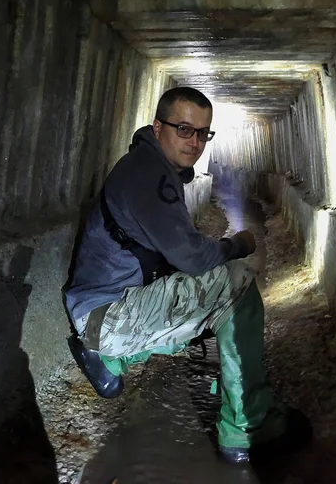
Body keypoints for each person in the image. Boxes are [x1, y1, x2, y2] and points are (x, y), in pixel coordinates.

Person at [64, 86, 312, 464]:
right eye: (184, 129)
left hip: (104, 309)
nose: (195, 142)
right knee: (236, 283)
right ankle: (248, 429)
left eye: (202, 133)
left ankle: (110, 360)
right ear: (157, 127)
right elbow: (194, 259)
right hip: (109, 316)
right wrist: (238, 246)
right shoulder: (150, 176)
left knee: (207, 297)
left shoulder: (150, 165)